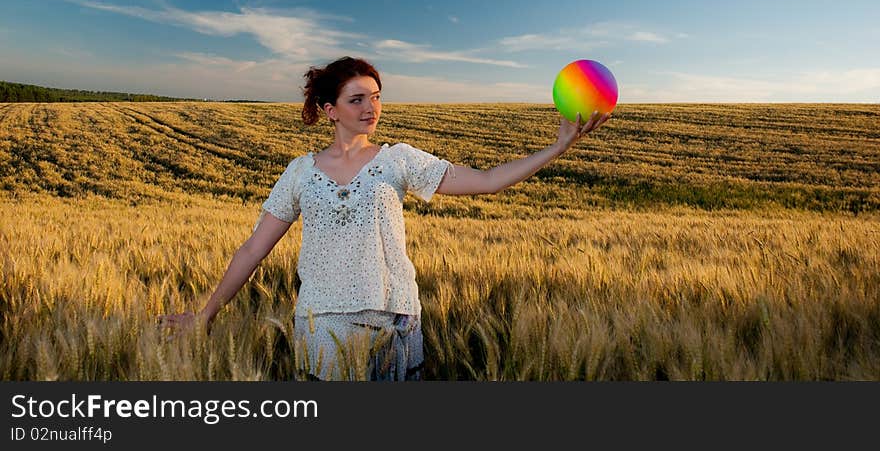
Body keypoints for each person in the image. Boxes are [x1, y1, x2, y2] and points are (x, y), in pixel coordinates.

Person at [159, 56, 611, 380]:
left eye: (375, 97)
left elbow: (489, 180)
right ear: (330, 110)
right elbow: (253, 250)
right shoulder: (299, 173)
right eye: (357, 100)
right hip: (326, 327)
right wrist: (206, 314)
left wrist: (557, 148)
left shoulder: (399, 161)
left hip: (398, 323)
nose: (370, 108)